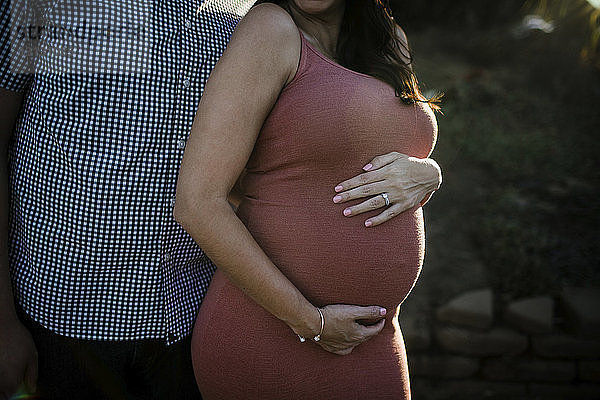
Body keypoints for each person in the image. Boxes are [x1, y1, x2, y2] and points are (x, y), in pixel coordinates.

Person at [0, 0, 441, 399]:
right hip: (70, 313)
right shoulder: (54, 6)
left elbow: (285, 159)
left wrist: (428, 171)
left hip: (189, 305)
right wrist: (2, 322)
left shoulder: (236, 16)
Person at [174, 0, 440, 399]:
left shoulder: (389, 39)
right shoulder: (271, 30)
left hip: (374, 337)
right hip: (274, 333)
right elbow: (199, 201)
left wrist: (432, 174)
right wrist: (309, 321)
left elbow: (395, 145)